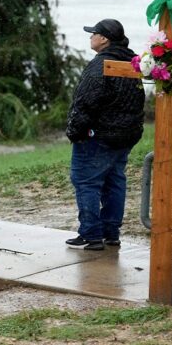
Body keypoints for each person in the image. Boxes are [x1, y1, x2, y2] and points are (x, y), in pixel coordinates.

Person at [65, 19, 145, 251]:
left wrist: (74, 131)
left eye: (94, 34)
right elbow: (138, 100)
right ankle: (111, 233)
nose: (90, 37)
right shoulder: (132, 62)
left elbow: (85, 103)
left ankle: (91, 235)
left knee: (86, 181)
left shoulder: (100, 64)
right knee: (114, 182)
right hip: (125, 135)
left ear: (104, 39)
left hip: (98, 136)